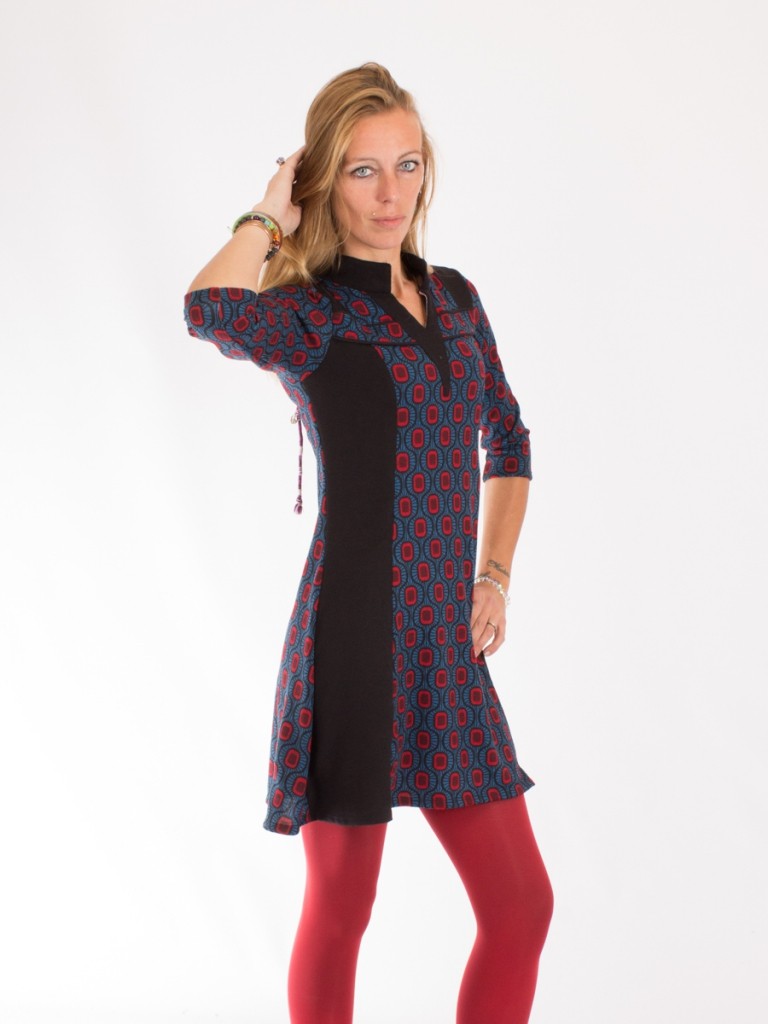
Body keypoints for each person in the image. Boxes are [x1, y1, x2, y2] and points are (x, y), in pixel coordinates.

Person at [184, 62, 553, 1024]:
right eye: (362, 170)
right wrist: (269, 213)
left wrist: (494, 575)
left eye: (408, 165)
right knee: (344, 907)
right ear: (325, 182)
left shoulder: (458, 300)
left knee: (521, 906)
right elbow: (207, 308)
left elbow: (510, 442)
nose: (392, 194)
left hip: (447, 646)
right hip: (351, 640)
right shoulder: (313, 316)